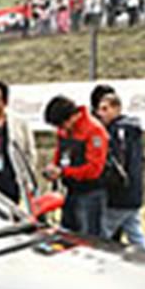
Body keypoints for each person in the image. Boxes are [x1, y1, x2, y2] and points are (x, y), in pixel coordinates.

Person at [43, 95, 108, 237]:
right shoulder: (64, 131)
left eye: (61, 125)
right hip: (70, 192)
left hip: (90, 194)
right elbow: (60, 154)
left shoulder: (94, 130)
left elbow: (94, 169)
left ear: (71, 117)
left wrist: (64, 172)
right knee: (66, 236)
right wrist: (53, 169)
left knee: (89, 240)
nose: (60, 130)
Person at [92, 88, 145, 247]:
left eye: (105, 109)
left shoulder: (117, 132)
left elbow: (115, 163)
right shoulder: (132, 130)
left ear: (117, 109)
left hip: (119, 195)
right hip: (133, 193)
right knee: (135, 235)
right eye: (99, 109)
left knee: (101, 236)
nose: (100, 113)